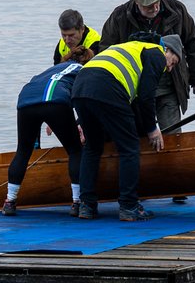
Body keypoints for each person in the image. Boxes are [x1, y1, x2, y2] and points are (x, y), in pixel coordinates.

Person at [71, 35, 183, 221]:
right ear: (168, 50)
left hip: (80, 87)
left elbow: (135, 101)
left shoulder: (130, 47)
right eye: (174, 62)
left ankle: (87, 206)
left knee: (92, 147)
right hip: (107, 86)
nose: (170, 68)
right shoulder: (156, 53)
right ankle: (129, 206)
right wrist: (152, 128)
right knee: (129, 147)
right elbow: (147, 96)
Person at [101, 0, 195, 135]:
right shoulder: (119, 16)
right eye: (148, 6)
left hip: (169, 85)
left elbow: (193, 42)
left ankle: (174, 158)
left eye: (157, 2)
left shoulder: (177, 10)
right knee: (140, 135)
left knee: (172, 133)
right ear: (137, 2)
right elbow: (106, 49)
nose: (155, 8)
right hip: (135, 88)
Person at [1, 61, 86, 217]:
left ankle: (9, 201)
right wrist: (80, 124)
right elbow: (83, 100)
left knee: (23, 150)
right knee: (75, 151)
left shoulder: (49, 71)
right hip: (55, 99)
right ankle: (77, 203)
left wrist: (37, 143)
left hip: (26, 100)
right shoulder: (83, 69)